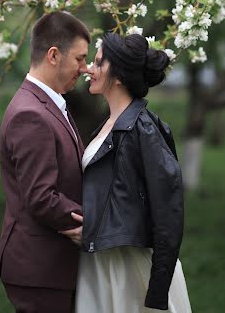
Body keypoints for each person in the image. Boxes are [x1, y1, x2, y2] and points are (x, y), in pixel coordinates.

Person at [71, 32, 192, 313]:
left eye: (99, 63)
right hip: (101, 261)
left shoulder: (144, 129)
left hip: (131, 268)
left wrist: (158, 290)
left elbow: (168, 213)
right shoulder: (107, 124)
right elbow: (113, 195)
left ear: (120, 76)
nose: (90, 68)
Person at [0, 11, 90, 313]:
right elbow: (40, 196)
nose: (85, 69)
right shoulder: (31, 114)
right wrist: (98, 224)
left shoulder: (48, 103)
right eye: (79, 59)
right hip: (39, 269)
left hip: (50, 267)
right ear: (53, 55)